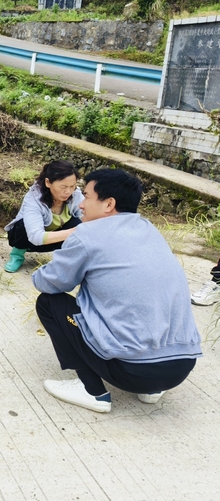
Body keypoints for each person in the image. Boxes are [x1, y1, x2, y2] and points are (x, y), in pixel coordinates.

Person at [32, 169, 202, 413]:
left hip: (130, 371)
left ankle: (92, 391)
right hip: (181, 367)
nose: (80, 204)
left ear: (109, 204)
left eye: (87, 196)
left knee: (49, 302)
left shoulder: (87, 235)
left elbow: (49, 283)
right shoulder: (148, 228)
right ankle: (151, 391)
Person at [3, 160, 84, 272]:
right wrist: (73, 232)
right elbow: (35, 237)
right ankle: (17, 255)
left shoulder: (75, 194)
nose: (68, 191)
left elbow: (89, 218)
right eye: (63, 186)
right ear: (48, 182)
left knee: (79, 223)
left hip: (54, 239)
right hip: (30, 240)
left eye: (72, 186)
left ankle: (66, 259)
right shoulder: (34, 199)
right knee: (23, 225)